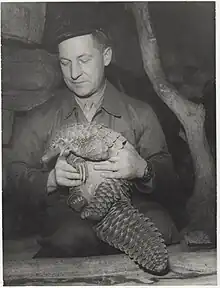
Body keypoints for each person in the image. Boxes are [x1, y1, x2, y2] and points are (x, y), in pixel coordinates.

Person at [6, 8, 186, 257]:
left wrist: (142, 169)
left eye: (84, 59)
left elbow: (171, 181)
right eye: (65, 62)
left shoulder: (139, 113)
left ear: (107, 56)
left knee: (161, 227)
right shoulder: (41, 117)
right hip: (68, 216)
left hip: (129, 208)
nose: (74, 73)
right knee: (72, 238)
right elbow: (12, 174)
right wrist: (50, 180)